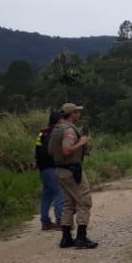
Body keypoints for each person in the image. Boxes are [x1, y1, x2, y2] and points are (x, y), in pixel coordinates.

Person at [48, 102, 97, 249]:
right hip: (72, 170)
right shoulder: (69, 130)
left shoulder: (57, 129)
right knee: (84, 201)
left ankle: (66, 237)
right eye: (76, 112)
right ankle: (81, 237)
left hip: (60, 170)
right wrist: (81, 143)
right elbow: (67, 149)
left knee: (68, 204)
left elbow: (51, 151)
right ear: (72, 114)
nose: (79, 114)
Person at [34, 110, 64, 230]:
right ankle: (60, 221)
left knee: (47, 194)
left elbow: (37, 149)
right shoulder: (56, 132)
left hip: (43, 168)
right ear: (58, 120)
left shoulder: (42, 133)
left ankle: (45, 221)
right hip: (53, 166)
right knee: (59, 193)